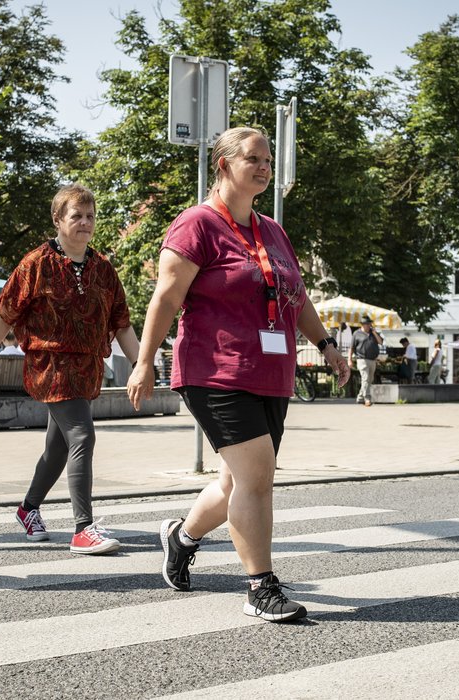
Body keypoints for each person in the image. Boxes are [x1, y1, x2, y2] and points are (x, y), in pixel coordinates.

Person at [126, 126, 350, 623]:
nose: (265, 166)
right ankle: (260, 587)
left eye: (268, 159)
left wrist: (327, 346)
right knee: (258, 477)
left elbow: (297, 296)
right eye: (254, 158)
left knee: (235, 482)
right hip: (215, 369)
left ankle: (181, 538)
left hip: (270, 371)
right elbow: (165, 297)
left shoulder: (272, 229)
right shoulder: (196, 225)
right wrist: (144, 361)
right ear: (223, 165)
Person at [0, 184, 139, 555]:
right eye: (76, 215)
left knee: (58, 448)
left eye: (90, 216)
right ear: (58, 219)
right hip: (51, 365)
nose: (85, 223)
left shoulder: (103, 269)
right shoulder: (36, 264)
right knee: (82, 435)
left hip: (87, 369)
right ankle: (83, 528)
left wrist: (141, 366)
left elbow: (122, 323)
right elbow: (5, 315)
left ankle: (28, 509)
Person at [350, 317, 383, 406]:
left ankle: (360, 397)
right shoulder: (357, 333)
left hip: (372, 360)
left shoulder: (373, 334)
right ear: (363, 325)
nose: (368, 326)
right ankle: (367, 398)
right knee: (365, 378)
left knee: (369, 380)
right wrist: (349, 359)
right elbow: (352, 347)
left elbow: (380, 342)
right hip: (362, 359)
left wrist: (374, 332)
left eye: (369, 324)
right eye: (367, 324)